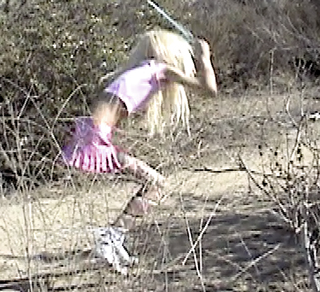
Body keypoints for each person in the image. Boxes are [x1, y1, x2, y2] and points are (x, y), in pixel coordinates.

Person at [61, 28, 218, 270]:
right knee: (157, 185)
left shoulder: (141, 71)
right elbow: (209, 90)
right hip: (95, 139)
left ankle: (114, 237)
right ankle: (111, 237)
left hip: (88, 134)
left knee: (151, 183)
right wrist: (204, 57)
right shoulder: (160, 70)